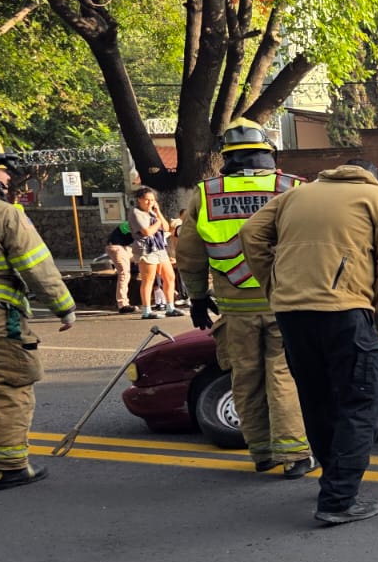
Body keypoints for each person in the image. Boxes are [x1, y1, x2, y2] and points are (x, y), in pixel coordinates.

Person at [243, 159, 378, 525]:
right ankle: (338, 500)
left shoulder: (294, 196)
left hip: (291, 314)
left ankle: (334, 481)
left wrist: (275, 287)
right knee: (361, 404)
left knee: (317, 401)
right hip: (345, 311)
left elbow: (250, 234)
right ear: (373, 177)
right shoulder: (376, 197)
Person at [177, 118, 315, 479]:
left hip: (234, 306)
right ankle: (295, 454)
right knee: (283, 374)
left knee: (246, 376)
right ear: (268, 154)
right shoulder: (293, 188)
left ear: (228, 158)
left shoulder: (205, 193)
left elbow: (190, 253)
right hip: (284, 299)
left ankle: (262, 452)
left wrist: (195, 296)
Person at [0, 134, 76, 490]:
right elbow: (37, 267)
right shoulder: (4, 215)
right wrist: (64, 308)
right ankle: (10, 467)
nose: (7, 177)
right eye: (0, 169)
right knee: (9, 386)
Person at [130, 187, 182, 318]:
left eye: (152, 200)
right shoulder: (136, 213)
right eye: (147, 200)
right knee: (149, 280)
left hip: (159, 247)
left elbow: (165, 228)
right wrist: (157, 222)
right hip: (146, 249)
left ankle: (170, 307)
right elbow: (147, 232)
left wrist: (158, 213)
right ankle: (146, 311)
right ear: (139, 200)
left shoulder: (153, 213)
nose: (150, 203)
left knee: (170, 277)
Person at [104, 211, 135, 314]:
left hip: (124, 247)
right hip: (116, 247)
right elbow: (142, 235)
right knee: (124, 273)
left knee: (148, 263)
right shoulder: (131, 224)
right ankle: (123, 304)